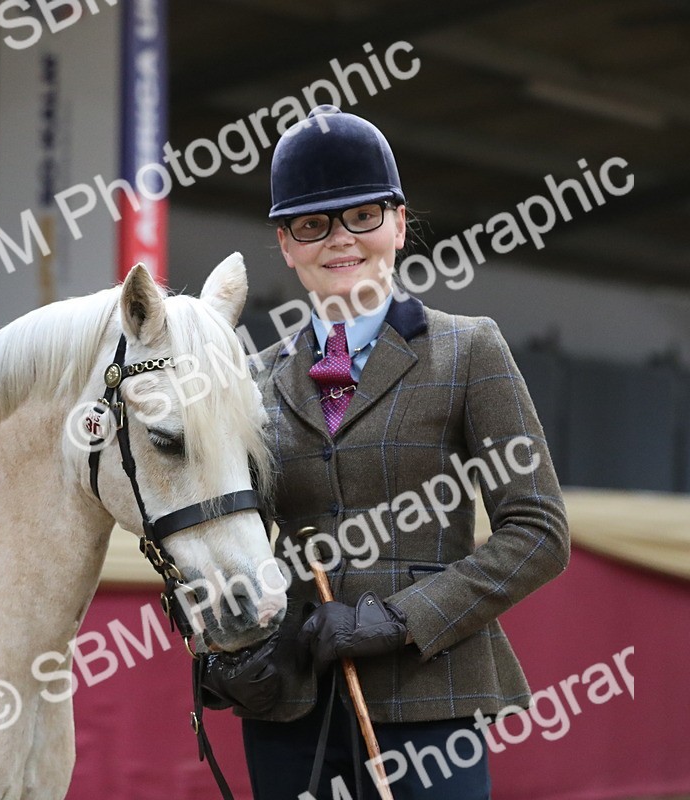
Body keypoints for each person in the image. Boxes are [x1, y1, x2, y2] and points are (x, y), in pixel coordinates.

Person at [201, 105, 570, 800]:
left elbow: (540, 533)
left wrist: (396, 619)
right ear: (286, 244)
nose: (339, 240)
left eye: (362, 217)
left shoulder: (470, 350)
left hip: (429, 702)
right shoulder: (250, 380)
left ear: (399, 224)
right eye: (313, 224)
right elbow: (222, 534)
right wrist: (219, 639)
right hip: (291, 709)